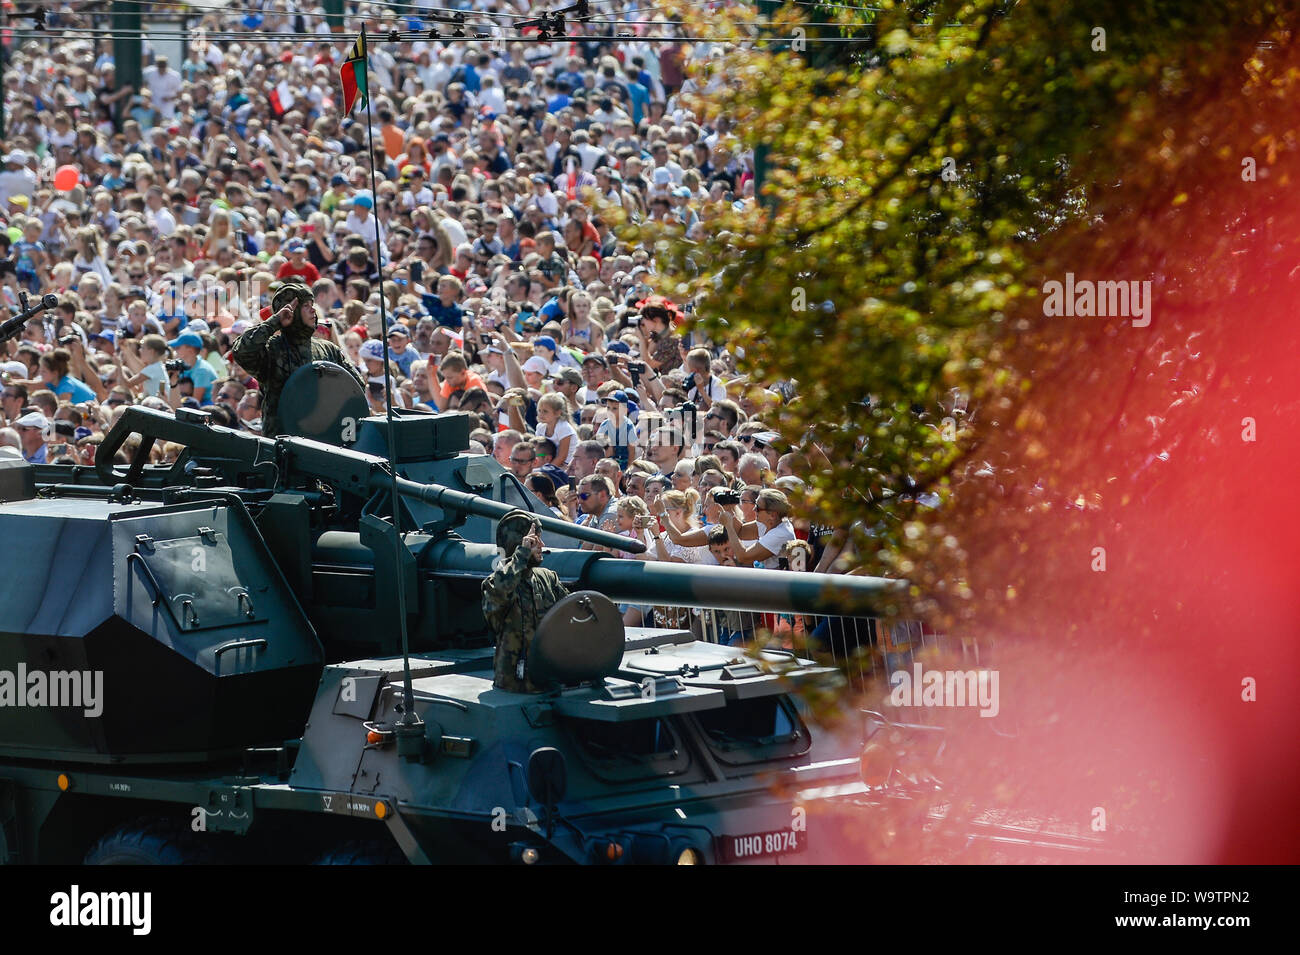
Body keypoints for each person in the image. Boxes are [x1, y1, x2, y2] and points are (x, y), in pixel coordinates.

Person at [230, 282, 362, 437]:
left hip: (325, 439)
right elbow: (242, 351)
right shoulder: (273, 350)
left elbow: (356, 385)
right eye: (305, 306)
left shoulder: (328, 349)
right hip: (284, 441)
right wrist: (274, 322)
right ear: (292, 311)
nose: (313, 309)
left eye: (312, 304)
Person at [481, 511, 568, 693]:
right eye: (535, 541)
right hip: (514, 684)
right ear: (518, 544)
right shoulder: (494, 584)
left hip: (550, 679)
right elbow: (501, 590)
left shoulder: (547, 578)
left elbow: (570, 611)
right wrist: (522, 555)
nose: (542, 546)